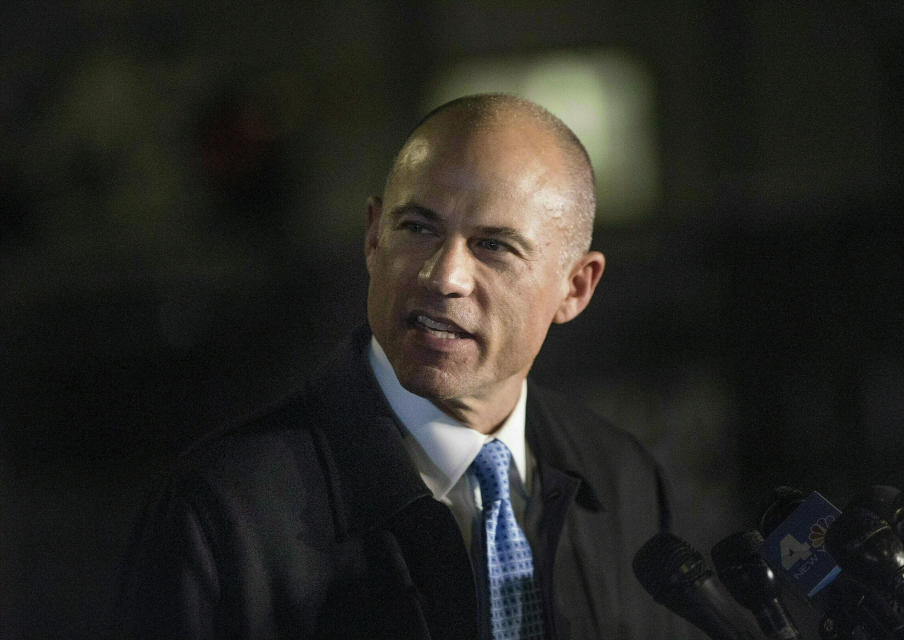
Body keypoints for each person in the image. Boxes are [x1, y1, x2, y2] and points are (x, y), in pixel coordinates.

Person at [120, 94, 682, 638]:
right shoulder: (220, 513)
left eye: (493, 246)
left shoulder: (624, 480)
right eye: (417, 228)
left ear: (575, 288)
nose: (444, 276)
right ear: (372, 237)